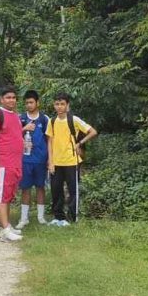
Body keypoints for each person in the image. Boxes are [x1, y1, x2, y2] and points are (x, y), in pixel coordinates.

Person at [45, 92, 98, 226]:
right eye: (57, 104)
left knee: (72, 190)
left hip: (71, 161)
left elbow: (92, 131)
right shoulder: (52, 121)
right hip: (56, 161)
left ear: (67, 105)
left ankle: (72, 218)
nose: (59, 107)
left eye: (62, 104)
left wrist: (79, 143)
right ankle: (58, 217)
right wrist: (50, 161)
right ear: (54, 105)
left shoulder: (74, 120)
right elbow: (49, 142)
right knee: (56, 190)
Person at [0, 86, 24, 242]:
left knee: (8, 195)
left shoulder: (15, 115)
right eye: (8, 97)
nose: (11, 100)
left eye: (14, 97)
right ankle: (5, 230)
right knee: (1, 195)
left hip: (15, 162)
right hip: (4, 162)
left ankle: (6, 226)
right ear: (1, 99)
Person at [17, 90, 50, 229]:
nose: (29, 105)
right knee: (25, 188)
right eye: (26, 103)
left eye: (31, 102)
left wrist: (49, 159)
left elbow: (49, 139)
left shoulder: (44, 119)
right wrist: (24, 128)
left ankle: (41, 217)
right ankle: (24, 218)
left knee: (40, 187)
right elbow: (13, 136)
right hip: (25, 159)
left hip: (41, 159)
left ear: (37, 103)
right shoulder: (21, 118)